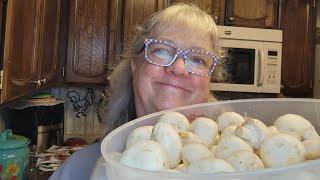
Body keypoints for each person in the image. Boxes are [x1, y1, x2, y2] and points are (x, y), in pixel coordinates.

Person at [49, 3, 223, 180]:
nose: (178, 68)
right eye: (162, 50)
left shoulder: (235, 172)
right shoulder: (78, 170)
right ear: (134, 65)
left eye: (198, 59)